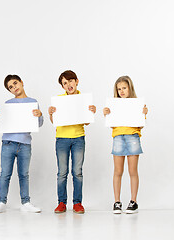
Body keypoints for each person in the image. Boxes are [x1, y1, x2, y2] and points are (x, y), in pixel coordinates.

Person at [0, 74, 43, 214]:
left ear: (21, 82)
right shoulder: (8, 104)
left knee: (24, 174)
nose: (14, 87)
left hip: (25, 144)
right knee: (5, 174)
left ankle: (25, 202)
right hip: (8, 143)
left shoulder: (33, 102)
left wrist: (39, 115)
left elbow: (38, 124)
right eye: (11, 87)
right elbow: (2, 124)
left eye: (15, 83)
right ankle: (1, 202)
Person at [48, 70, 96, 214]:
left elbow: (87, 122)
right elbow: (54, 122)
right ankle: (62, 202)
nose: (68, 84)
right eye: (65, 83)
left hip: (78, 138)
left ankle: (77, 203)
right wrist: (51, 114)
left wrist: (91, 112)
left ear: (76, 81)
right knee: (62, 172)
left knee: (77, 172)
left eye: (70, 81)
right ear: (62, 87)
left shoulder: (83, 99)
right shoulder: (59, 100)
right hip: (62, 139)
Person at [103, 76, 148, 214]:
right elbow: (111, 123)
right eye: (119, 89)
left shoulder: (136, 104)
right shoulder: (114, 105)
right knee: (118, 171)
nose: (121, 91)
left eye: (124, 88)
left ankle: (133, 201)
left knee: (132, 171)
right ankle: (117, 202)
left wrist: (144, 114)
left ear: (130, 88)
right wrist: (107, 114)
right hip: (118, 137)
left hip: (133, 137)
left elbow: (140, 124)